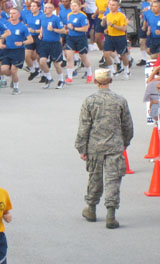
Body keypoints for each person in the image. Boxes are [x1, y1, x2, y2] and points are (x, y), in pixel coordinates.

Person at [75, 69, 133, 229]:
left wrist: (81, 148)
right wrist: (125, 142)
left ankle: (91, 209)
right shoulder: (120, 100)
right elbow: (127, 124)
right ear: (111, 81)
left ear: (95, 81)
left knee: (95, 178)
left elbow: (84, 126)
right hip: (115, 146)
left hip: (95, 146)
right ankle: (111, 215)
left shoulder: (89, 101)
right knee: (113, 179)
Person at [0, 8, 33, 95]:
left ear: (19, 15)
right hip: (7, 50)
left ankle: (16, 87)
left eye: (14, 13)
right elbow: (1, 36)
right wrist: (0, 43)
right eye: (10, 13)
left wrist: (22, 42)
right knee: (3, 70)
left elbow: (30, 40)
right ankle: (14, 78)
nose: (11, 15)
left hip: (18, 51)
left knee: (14, 71)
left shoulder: (23, 27)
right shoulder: (6, 25)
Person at [64, 1, 93, 84]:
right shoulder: (69, 15)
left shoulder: (83, 16)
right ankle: (69, 76)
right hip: (70, 38)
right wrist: (67, 29)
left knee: (83, 57)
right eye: (72, 6)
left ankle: (89, 73)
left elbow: (85, 29)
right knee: (69, 56)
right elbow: (68, 25)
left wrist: (74, 28)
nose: (73, 7)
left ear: (79, 7)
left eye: (75, 6)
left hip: (80, 38)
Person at [102, 0, 131, 79]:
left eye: (114, 5)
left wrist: (113, 25)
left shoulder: (121, 16)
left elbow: (124, 28)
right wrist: (104, 22)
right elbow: (103, 25)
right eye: (110, 5)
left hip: (119, 37)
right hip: (109, 36)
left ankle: (126, 70)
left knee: (123, 54)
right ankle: (112, 71)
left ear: (118, 7)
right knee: (106, 54)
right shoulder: (108, 15)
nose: (111, 6)